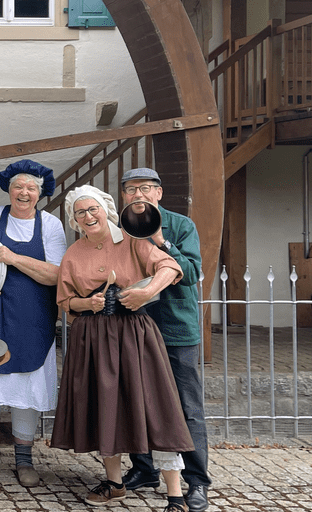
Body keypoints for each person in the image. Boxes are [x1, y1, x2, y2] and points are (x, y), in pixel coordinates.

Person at [52, 185, 193, 512]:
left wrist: (147, 293)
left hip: (134, 334)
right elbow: (65, 301)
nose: (88, 216)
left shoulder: (132, 240)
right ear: (74, 220)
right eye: (80, 212)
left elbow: (170, 267)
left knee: (156, 406)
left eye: (93, 209)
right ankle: (115, 484)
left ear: (106, 210)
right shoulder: (74, 252)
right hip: (93, 337)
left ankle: (175, 495)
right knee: (106, 407)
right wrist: (86, 303)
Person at [0, 159, 67, 486]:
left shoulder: (50, 225)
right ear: (8, 190)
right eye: (18, 186)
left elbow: (56, 274)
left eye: (31, 188)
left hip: (33, 318)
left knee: (28, 384)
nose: (24, 192)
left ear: (40, 193)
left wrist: (13, 257)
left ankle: (24, 459)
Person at [118, 168, 210, 512]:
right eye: (131, 189)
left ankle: (196, 481)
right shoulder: (121, 227)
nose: (138, 195)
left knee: (188, 409)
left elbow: (192, 273)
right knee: (136, 401)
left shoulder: (181, 225)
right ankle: (144, 469)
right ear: (124, 195)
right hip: (134, 327)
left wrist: (160, 240)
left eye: (145, 188)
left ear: (158, 192)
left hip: (176, 329)